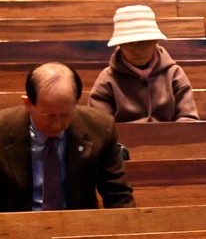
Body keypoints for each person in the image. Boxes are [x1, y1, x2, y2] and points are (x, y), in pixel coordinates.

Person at [0, 62, 134, 212]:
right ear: (28, 103)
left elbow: (118, 195)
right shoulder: (2, 129)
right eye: (49, 115)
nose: (57, 125)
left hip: (78, 225)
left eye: (65, 114)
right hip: (13, 226)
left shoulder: (101, 128)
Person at [88, 5, 199, 123]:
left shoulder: (174, 74)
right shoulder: (107, 78)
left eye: (143, 43)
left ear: (155, 41)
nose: (136, 51)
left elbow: (188, 119)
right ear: (120, 45)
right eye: (129, 44)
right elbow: (98, 127)